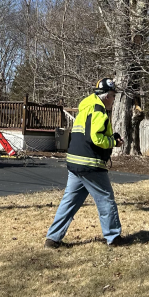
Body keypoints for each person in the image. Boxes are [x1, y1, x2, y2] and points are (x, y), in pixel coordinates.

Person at [45, 77, 125, 248]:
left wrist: (110, 137)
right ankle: (114, 238)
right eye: (112, 95)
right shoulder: (99, 111)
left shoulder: (85, 108)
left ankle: (53, 239)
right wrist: (114, 142)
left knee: (70, 201)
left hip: (74, 161)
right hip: (90, 163)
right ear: (105, 96)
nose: (113, 99)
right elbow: (96, 138)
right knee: (105, 199)